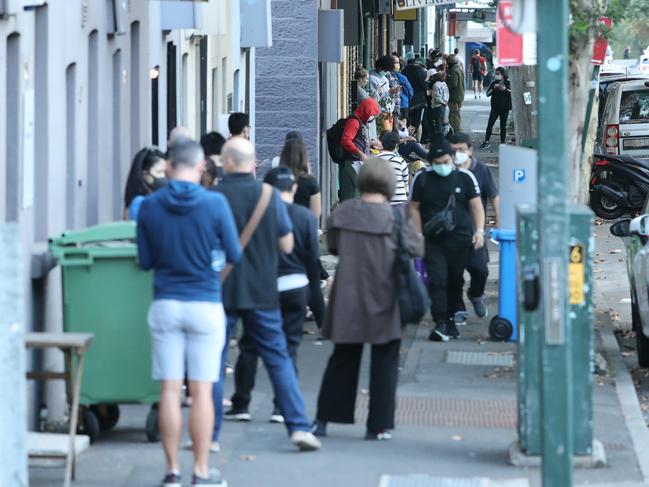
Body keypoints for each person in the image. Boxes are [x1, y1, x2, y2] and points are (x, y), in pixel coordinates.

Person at [136, 137, 241, 487]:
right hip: (206, 304)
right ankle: (200, 471)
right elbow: (234, 254)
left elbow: (145, 260)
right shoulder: (215, 204)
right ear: (201, 168)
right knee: (201, 390)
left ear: (167, 167)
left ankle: (171, 472)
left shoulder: (149, 206)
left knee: (169, 390)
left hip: (166, 302)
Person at [212, 137, 321, 452]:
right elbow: (287, 245)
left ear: (227, 162)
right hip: (263, 288)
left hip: (223, 289)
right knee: (279, 358)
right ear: (253, 163)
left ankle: (212, 434)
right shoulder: (268, 196)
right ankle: (299, 426)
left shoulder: (212, 196)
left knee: (215, 362)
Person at [312, 158, 423, 440]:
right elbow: (415, 248)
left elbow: (334, 247)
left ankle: (324, 419)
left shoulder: (343, 212)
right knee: (385, 363)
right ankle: (378, 425)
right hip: (386, 297)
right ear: (389, 183)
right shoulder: (396, 217)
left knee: (343, 359)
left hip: (349, 295)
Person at [229, 166, 324, 424]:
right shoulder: (305, 218)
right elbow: (312, 262)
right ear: (293, 188)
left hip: (262, 286)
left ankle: (241, 403)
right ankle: (281, 407)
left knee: (249, 345)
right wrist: (320, 313)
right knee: (288, 348)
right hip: (295, 286)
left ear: (266, 188)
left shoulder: (258, 213)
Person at [409, 136, 485, 342]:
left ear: (452, 159)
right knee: (437, 279)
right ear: (431, 162)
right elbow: (414, 208)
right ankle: (440, 321)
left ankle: (451, 320)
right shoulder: (423, 178)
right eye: (437, 163)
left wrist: (479, 231)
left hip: (460, 240)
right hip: (432, 240)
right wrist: (417, 235)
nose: (442, 167)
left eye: (445, 162)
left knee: (455, 280)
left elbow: (476, 205)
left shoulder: (465, 177)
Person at [449, 132, 499, 325]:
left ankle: (476, 294)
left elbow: (494, 197)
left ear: (469, 150)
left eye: (460, 150)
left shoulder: (481, 170)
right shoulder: (447, 170)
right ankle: (458, 308)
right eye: (453, 151)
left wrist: (498, 224)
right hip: (452, 235)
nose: (457, 155)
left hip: (475, 233)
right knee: (454, 275)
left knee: (480, 270)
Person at [339, 97, 381, 201]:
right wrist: (360, 153)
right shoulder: (354, 122)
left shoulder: (360, 121)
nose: (372, 117)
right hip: (352, 163)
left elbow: (356, 140)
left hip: (356, 163)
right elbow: (346, 141)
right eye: (371, 113)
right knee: (353, 195)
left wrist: (369, 145)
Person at [279, 136, 321, 219]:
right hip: (303, 227)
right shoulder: (310, 181)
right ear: (304, 156)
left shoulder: (275, 178)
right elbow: (316, 213)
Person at [123, 147, 167, 221]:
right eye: (159, 172)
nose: (164, 177)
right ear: (145, 174)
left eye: (166, 172)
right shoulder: (140, 203)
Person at [480, 67, 512, 149]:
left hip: (505, 108)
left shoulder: (508, 83)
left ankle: (502, 143)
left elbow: (512, 93)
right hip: (495, 108)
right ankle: (486, 141)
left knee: (503, 126)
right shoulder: (493, 83)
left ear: (502, 74)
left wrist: (505, 89)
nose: (496, 75)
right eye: (496, 73)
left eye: (498, 74)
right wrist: (493, 88)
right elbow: (487, 94)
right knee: (490, 124)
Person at [377, 131, 409, 206]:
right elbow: (405, 183)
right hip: (400, 203)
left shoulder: (374, 161)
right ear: (396, 146)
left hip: (382, 204)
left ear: (382, 143)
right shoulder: (400, 161)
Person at [402, 56, 428, 139]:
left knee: (407, 120)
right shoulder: (420, 71)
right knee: (417, 121)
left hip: (407, 100)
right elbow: (424, 85)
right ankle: (414, 139)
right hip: (419, 100)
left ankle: (407, 137)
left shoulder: (403, 71)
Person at [446, 55, 466, 135]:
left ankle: (457, 133)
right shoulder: (459, 68)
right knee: (455, 114)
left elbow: (454, 83)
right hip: (460, 95)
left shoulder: (454, 70)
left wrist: (446, 84)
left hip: (455, 96)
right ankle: (454, 131)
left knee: (454, 116)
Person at [430, 69, 450, 136]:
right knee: (441, 122)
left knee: (438, 122)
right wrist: (446, 102)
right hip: (444, 105)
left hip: (437, 106)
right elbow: (447, 94)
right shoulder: (444, 84)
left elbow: (436, 97)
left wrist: (442, 102)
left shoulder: (435, 85)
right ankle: (442, 135)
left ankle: (439, 136)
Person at [393, 57, 414, 122]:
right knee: (403, 120)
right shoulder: (402, 77)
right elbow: (410, 90)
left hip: (394, 103)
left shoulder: (389, 75)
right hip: (403, 102)